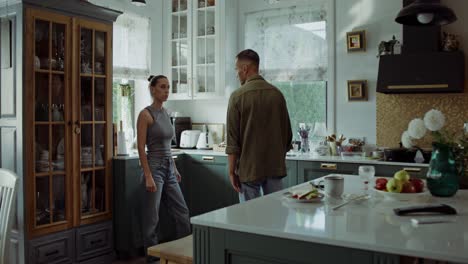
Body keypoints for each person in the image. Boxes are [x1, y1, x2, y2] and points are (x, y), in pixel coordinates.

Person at [226, 49, 293, 202]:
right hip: (274, 168)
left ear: (245, 68)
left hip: (248, 170)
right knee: (276, 218)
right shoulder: (277, 94)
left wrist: (231, 172)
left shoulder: (237, 97)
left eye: (237, 69)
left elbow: (232, 141)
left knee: (249, 220)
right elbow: (288, 136)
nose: (237, 74)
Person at [137, 75, 190, 262]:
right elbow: (141, 148)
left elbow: (168, 146)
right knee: (152, 221)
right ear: (152, 90)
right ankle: (153, 261)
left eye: (168, 87)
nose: (166, 90)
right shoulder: (145, 114)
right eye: (162, 87)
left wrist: (174, 168)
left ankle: (182, 257)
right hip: (154, 169)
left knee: (182, 213)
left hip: (168, 169)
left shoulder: (166, 113)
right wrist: (148, 175)